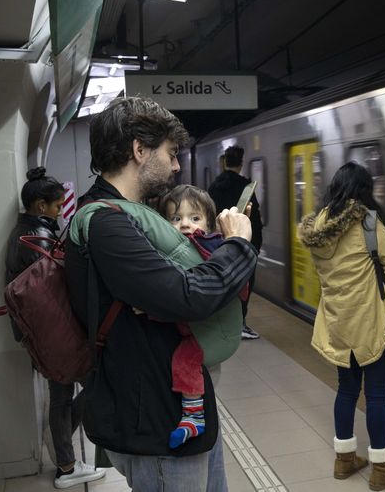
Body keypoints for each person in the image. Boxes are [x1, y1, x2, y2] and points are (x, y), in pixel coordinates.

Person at [64, 97, 257, 492]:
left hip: (174, 407)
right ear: (139, 150)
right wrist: (238, 245)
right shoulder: (107, 223)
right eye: (170, 153)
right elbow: (189, 296)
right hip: (156, 420)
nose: (175, 165)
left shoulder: (130, 215)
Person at [298, 162, 385, 491]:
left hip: (337, 321)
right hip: (371, 321)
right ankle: (381, 468)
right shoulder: (367, 222)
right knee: (377, 395)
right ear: (364, 191)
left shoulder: (319, 224)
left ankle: (344, 460)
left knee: (346, 390)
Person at [4, 167, 106, 490]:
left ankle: (61, 442)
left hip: (39, 330)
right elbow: (58, 289)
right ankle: (65, 464)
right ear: (39, 206)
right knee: (84, 386)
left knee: (62, 393)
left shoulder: (25, 231)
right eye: (56, 205)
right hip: (51, 331)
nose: (61, 210)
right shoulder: (40, 238)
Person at [154, 184, 250, 450]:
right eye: (176, 218)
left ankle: (193, 416)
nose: (185, 224)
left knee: (186, 361)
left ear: (209, 223)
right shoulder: (166, 252)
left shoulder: (213, 247)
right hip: (192, 327)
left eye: (194, 218)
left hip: (207, 332)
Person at [207, 145, 263, 339]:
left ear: (225, 162)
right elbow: (253, 218)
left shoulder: (214, 185)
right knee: (245, 283)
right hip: (242, 240)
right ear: (241, 163)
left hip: (219, 242)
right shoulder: (246, 187)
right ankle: (240, 324)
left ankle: (224, 321)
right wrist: (254, 245)